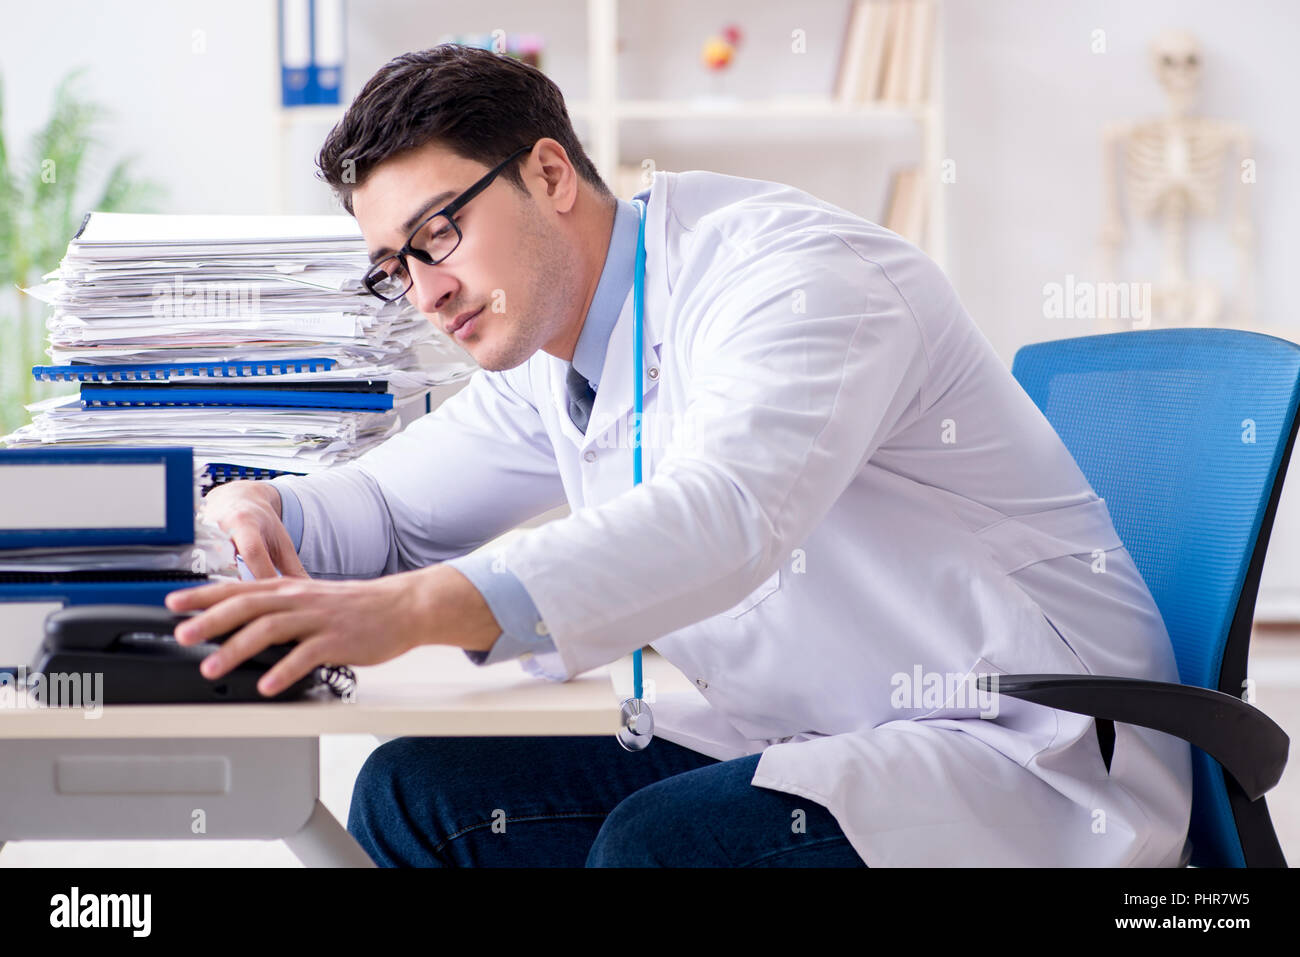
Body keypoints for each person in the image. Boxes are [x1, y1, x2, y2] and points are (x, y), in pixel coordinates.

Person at [169, 44, 1192, 867]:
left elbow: (730, 515)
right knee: (417, 794)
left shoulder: (792, 279)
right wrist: (265, 512)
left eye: (437, 234)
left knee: (662, 848)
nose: (427, 291)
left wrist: (412, 611)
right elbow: (391, 511)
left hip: (1020, 745)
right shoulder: (554, 349)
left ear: (550, 172)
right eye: (395, 267)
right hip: (815, 728)